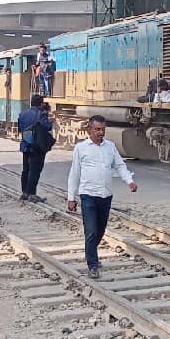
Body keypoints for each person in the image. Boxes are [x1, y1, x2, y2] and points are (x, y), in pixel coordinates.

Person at [66, 115, 138, 279]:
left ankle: (91, 252)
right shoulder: (81, 148)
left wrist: (129, 181)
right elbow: (74, 174)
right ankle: (92, 264)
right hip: (88, 195)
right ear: (89, 130)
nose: (100, 132)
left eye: (103, 129)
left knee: (100, 230)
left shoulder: (110, 147)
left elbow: (120, 166)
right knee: (90, 231)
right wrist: (71, 197)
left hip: (105, 195)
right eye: (97, 129)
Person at [18, 94, 53, 202]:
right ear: (41, 104)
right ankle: (32, 194)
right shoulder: (41, 114)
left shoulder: (22, 113)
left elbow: (20, 128)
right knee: (35, 170)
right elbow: (48, 127)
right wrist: (50, 119)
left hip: (26, 145)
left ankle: (24, 192)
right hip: (37, 146)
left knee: (26, 169)